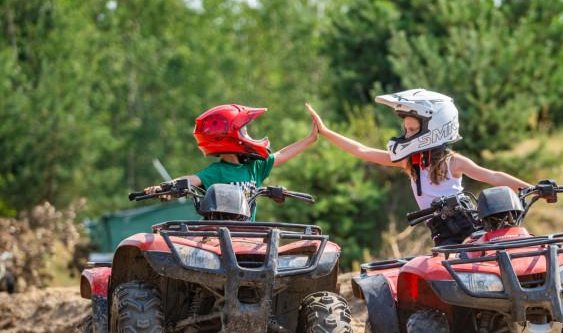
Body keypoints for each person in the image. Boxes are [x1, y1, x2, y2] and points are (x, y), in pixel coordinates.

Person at [306, 89, 531, 245]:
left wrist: (530, 187)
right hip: (440, 229)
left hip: (465, 222)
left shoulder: (453, 161)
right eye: (406, 130)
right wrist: (325, 132)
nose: (406, 136)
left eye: (412, 130)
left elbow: (492, 176)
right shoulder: (411, 162)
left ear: (435, 129)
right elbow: (362, 150)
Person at [145, 104, 318, 220]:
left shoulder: (254, 167)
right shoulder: (217, 171)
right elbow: (191, 180)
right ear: (232, 135)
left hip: (245, 235)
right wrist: (166, 187)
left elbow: (282, 154)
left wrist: (310, 138)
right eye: (245, 131)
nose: (248, 136)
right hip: (218, 235)